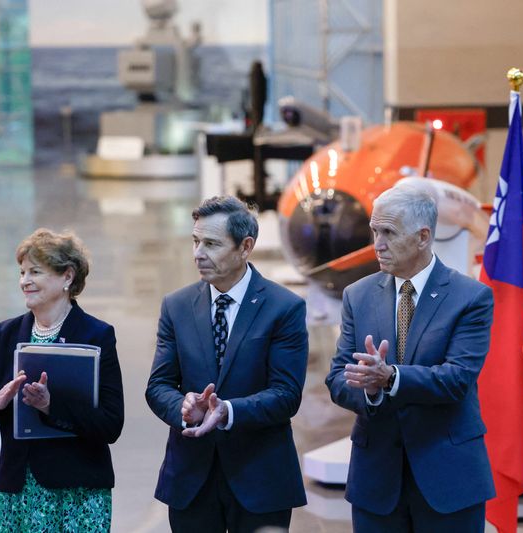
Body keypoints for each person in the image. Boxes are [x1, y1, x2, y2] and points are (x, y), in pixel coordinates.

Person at [326, 184, 495, 532]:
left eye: (388, 232)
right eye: (375, 231)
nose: (377, 244)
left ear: (422, 237)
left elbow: (457, 379)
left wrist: (391, 378)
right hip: (376, 480)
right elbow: (338, 378)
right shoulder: (357, 295)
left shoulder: (471, 297)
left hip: (448, 476)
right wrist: (371, 391)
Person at [146, 196, 308, 533]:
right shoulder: (177, 306)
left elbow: (286, 394)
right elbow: (158, 386)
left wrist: (227, 411)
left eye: (211, 244)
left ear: (245, 247)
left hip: (260, 478)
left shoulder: (284, 308)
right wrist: (184, 407)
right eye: (195, 241)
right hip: (191, 480)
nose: (198, 253)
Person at [0, 228, 124, 532]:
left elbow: (111, 425)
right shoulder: (6, 334)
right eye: (22, 272)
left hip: (78, 495)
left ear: (67, 276)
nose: (24, 281)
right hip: (16, 492)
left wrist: (50, 406)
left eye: (35, 272)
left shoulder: (97, 335)